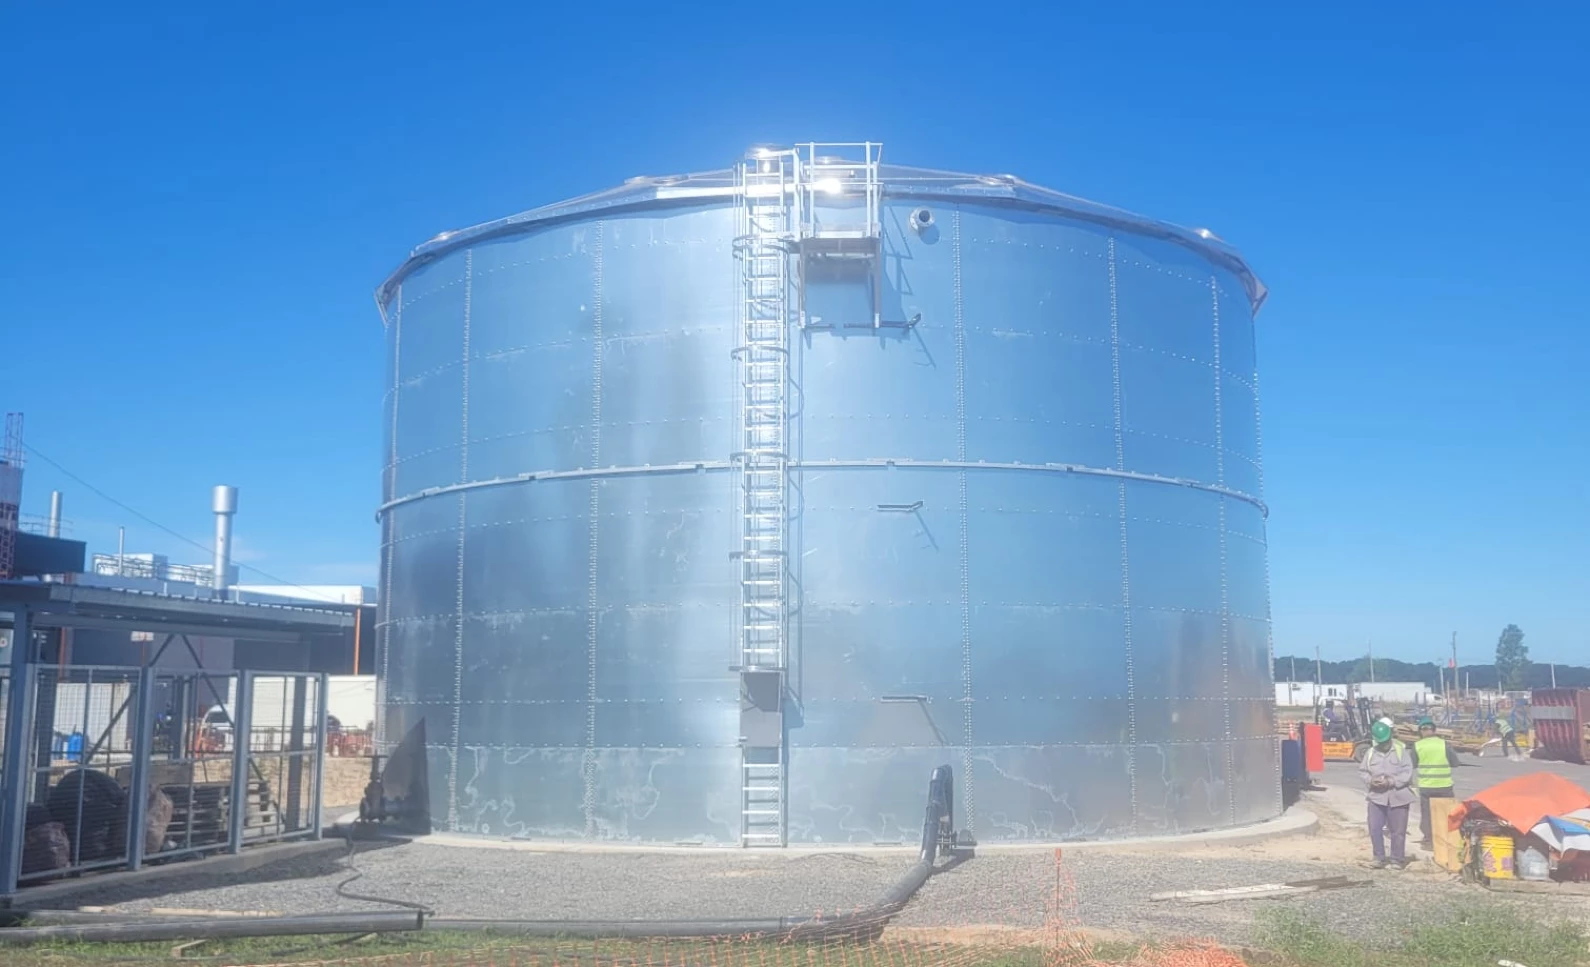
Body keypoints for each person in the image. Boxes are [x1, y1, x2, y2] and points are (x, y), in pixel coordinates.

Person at [1359, 719, 1415, 869]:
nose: (1384, 745)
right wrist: (1371, 781)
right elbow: (1363, 772)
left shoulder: (1400, 751)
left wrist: (1391, 781)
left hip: (1399, 796)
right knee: (1375, 828)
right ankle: (1379, 858)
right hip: (1377, 797)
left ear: (1390, 737)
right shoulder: (1371, 753)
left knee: (1398, 831)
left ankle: (1397, 860)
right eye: (1381, 742)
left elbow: (1407, 773)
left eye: (1386, 741)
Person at [1409, 717, 1460, 850]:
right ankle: (1448, 840)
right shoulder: (1444, 744)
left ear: (1420, 731)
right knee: (1448, 813)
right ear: (1434, 730)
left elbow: (1411, 765)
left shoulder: (1417, 746)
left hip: (1427, 787)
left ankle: (1429, 841)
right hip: (1445, 786)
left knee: (1427, 814)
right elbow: (1455, 763)